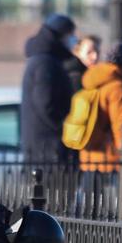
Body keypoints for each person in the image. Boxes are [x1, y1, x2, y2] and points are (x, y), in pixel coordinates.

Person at [75, 43, 122, 214]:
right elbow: (119, 124)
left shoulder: (91, 80)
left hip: (88, 152)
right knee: (120, 210)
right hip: (109, 157)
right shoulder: (116, 87)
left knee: (87, 208)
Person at [21, 13, 77, 164]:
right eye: (70, 35)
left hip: (46, 148)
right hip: (49, 150)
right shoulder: (45, 63)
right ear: (60, 36)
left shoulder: (45, 60)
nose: (74, 39)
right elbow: (45, 104)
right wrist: (64, 127)